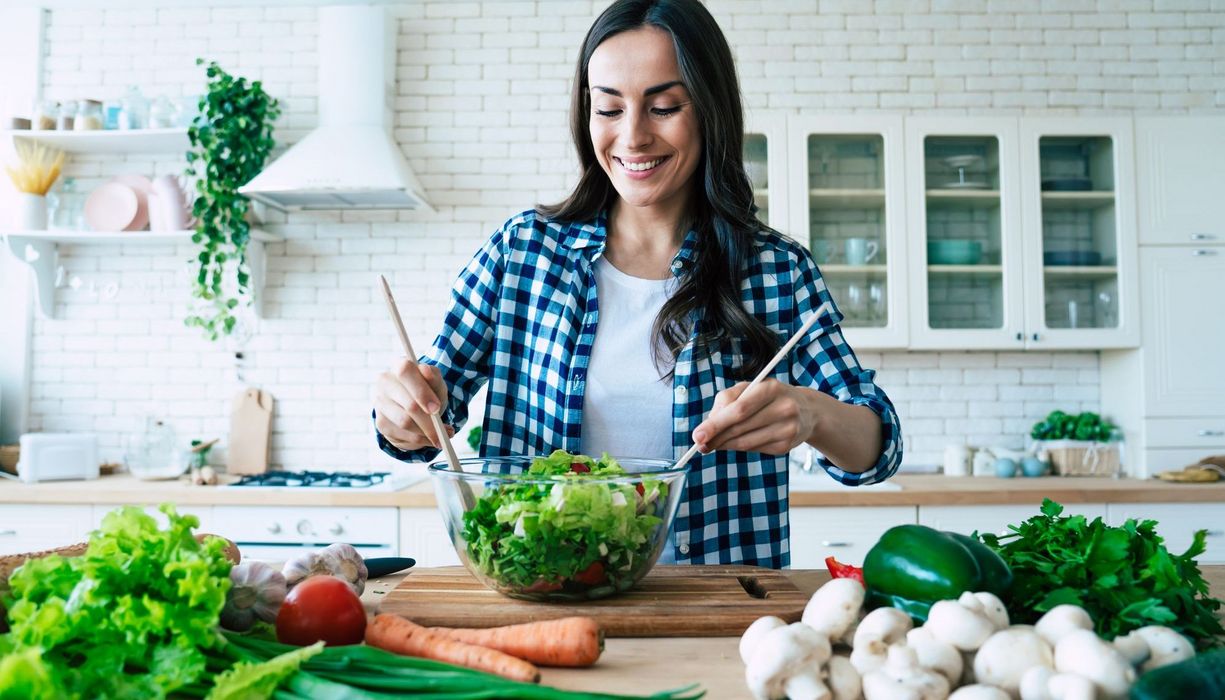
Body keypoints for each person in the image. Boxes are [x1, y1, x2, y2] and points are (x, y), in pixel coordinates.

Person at [372, 0, 902, 568]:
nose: (633, 136)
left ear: (710, 111)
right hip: (544, 601)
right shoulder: (521, 252)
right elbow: (427, 415)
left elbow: (878, 447)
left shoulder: (776, 269)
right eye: (609, 108)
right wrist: (402, 414)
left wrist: (812, 414)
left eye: (664, 107)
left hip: (715, 615)